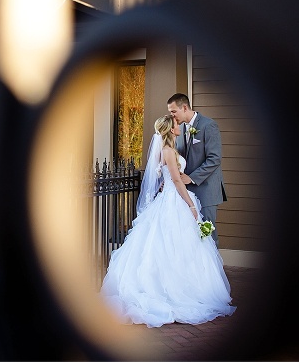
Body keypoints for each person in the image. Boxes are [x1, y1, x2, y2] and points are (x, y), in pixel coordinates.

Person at [100, 115, 236, 327]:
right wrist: (191, 204)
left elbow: (165, 177)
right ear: (170, 130)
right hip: (174, 200)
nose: (179, 126)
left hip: (170, 197)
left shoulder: (168, 151)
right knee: (170, 243)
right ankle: (173, 291)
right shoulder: (168, 152)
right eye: (176, 125)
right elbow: (175, 180)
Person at [167, 93, 227, 246]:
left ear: (184, 107)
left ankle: (213, 270)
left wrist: (191, 178)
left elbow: (214, 159)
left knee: (207, 234)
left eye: (174, 111)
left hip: (206, 189)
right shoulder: (178, 130)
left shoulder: (208, 125)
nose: (172, 116)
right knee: (190, 235)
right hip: (186, 192)